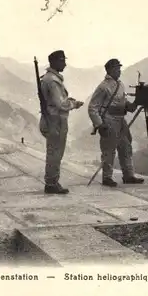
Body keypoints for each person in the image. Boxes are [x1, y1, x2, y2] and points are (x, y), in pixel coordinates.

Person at [88, 58, 145, 187]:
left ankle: (128, 175)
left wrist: (135, 103)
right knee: (109, 150)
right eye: (117, 68)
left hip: (121, 120)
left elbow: (124, 103)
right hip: (109, 120)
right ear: (110, 70)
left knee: (126, 146)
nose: (119, 71)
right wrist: (100, 124)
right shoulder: (103, 87)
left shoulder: (120, 84)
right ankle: (107, 177)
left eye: (119, 68)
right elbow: (92, 107)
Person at [39, 50, 84, 194]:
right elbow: (61, 104)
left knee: (53, 151)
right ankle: (52, 183)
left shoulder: (48, 78)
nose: (65, 63)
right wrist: (74, 104)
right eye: (63, 60)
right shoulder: (53, 80)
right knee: (55, 153)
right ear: (56, 62)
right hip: (56, 121)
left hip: (52, 120)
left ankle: (52, 182)